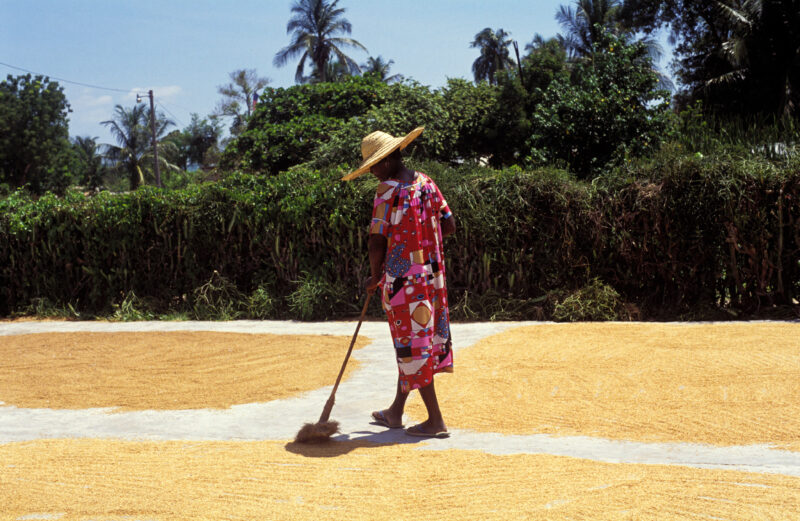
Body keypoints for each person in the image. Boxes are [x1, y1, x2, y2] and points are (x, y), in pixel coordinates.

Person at [342, 127, 456, 438]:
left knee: (412, 346)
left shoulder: (386, 192)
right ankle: (395, 411)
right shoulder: (426, 182)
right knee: (412, 342)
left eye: (375, 165)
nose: (373, 173)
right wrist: (424, 247)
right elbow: (449, 224)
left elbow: (376, 240)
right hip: (430, 277)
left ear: (390, 159)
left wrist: (376, 275)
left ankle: (435, 421)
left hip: (402, 281)